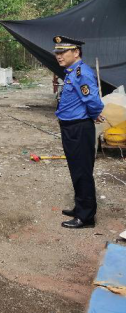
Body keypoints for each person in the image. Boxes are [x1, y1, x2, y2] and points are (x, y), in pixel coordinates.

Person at [54, 35, 104, 229]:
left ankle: (86, 217)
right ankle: (80, 207)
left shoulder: (82, 73)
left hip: (79, 128)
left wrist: (94, 114)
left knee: (82, 171)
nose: (59, 56)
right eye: (57, 52)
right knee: (77, 170)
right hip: (71, 127)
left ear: (76, 52)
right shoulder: (72, 71)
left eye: (63, 51)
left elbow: (93, 101)